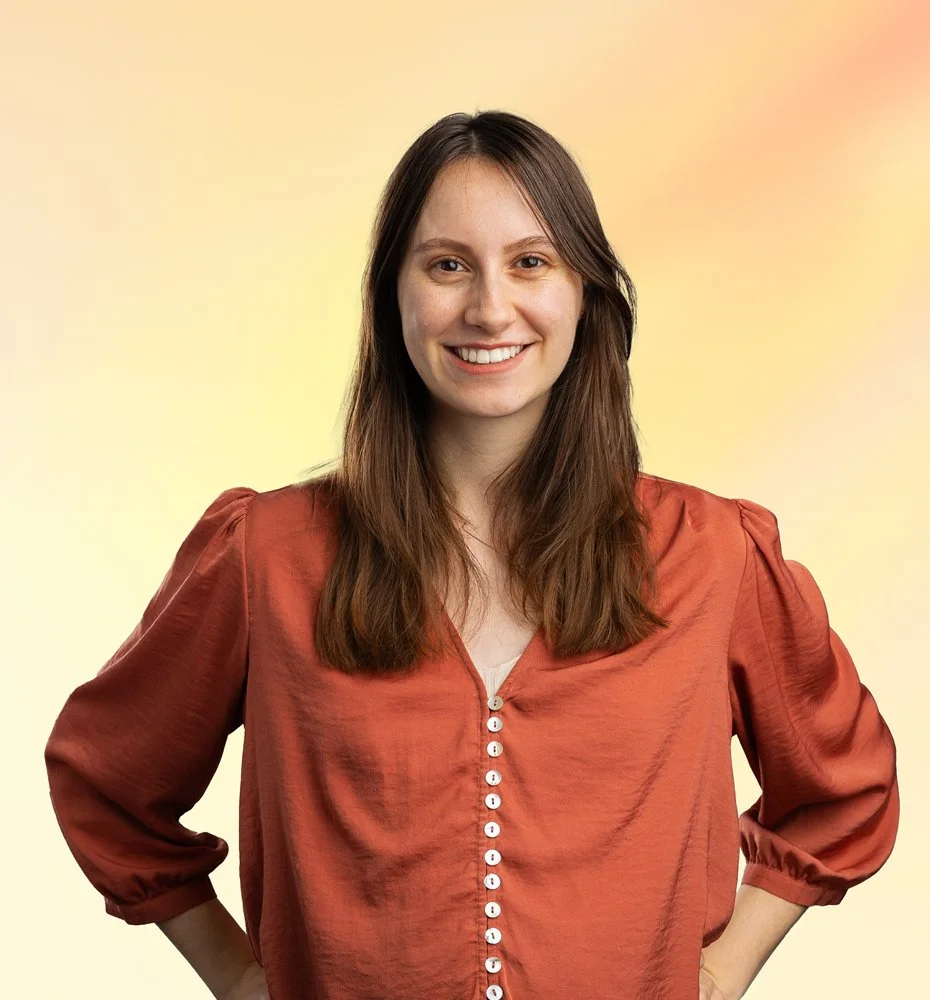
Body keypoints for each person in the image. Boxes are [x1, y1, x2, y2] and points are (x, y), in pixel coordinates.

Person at [44, 110, 899, 1000]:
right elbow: (107, 779)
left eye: (531, 262)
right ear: (393, 297)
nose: (491, 308)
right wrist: (236, 976)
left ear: (584, 296)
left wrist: (723, 970)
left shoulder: (712, 555)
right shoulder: (267, 556)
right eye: (448, 265)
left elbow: (845, 788)